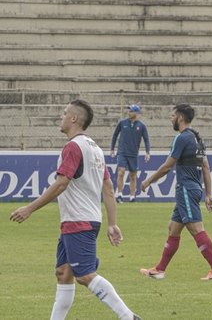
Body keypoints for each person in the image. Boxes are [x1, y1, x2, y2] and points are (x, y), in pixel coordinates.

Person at [9, 99, 141, 320]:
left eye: (64, 113)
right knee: (64, 273)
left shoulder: (73, 147)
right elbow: (107, 188)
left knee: (85, 275)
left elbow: (62, 183)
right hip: (83, 219)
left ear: (74, 119)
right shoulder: (95, 148)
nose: (61, 117)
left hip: (78, 221)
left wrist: (30, 208)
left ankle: (128, 316)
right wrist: (112, 223)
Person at [140, 104, 212, 281]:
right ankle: (160, 269)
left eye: (172, 115)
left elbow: (167, 166)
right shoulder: (197, 139)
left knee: (196, 229)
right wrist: (209, 194)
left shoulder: (181, 138)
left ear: (180, 117)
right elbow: (206, 167)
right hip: (194, 188)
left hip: (186, 188)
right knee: (173, 228)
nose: (171, 118)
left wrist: (148, 181)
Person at [110, 104, 151, 203]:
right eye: (129, 111)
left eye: (131, 111)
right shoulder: (122, 123)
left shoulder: (141, 126)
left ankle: (132, 196)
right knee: (121, 171)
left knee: (133, 175)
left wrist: (147, 152)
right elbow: (115, 135)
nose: (129, 112)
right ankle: (119, 194)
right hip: (122, 152)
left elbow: (146, 139)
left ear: (136, 113)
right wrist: (112, 148)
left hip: (133, 154)